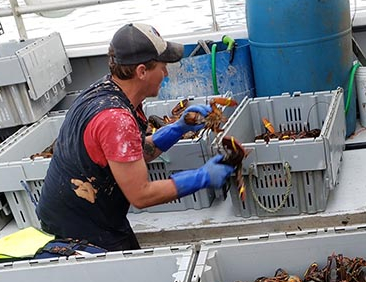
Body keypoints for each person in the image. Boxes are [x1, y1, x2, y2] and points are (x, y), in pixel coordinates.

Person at [36, 23, 234, 252]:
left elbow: (133, 154)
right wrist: (201, 178)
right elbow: (141, 195)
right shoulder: (116, 120)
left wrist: (179, 128)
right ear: (141, 71)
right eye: (162, 67)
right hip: (83, 232)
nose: (166, 74)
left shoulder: (105, 90)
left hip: (79, 215)